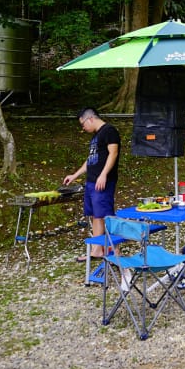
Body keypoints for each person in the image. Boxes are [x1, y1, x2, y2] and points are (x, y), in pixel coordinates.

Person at [63, 108, 120, 262]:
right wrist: (75, 175)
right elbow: (91, 159)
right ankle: (97, 250)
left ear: (90, 119)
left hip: (103, 181)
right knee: (96, 215)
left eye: (83, 124)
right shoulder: (96, 136)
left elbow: (113, 153)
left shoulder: (109, 131)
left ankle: (115, 252)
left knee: (106, 214)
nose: (83, 128)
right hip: (91, 181)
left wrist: (103, 174)